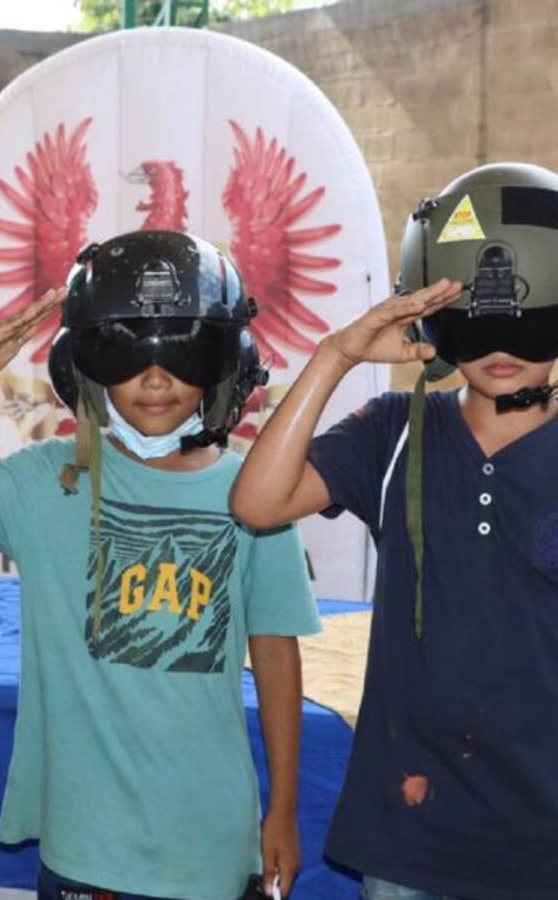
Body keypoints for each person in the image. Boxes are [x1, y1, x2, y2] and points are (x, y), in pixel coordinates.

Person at [0, 230, 321, 900]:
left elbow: (277, 655)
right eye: (128, 354)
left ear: (223, 363)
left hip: (207, 838)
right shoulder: (46, 481)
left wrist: (282, 809)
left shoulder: (260, 494)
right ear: (83, 365)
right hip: (86, 841)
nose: (154, 380)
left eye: (181, 355)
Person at [229, 162, 558, 900]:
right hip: (412, 829)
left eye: (532, 320)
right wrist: (336, 355)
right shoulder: (394, 434)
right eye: (474, 320)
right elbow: (257, 502)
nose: (502, 347)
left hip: (543, 839)